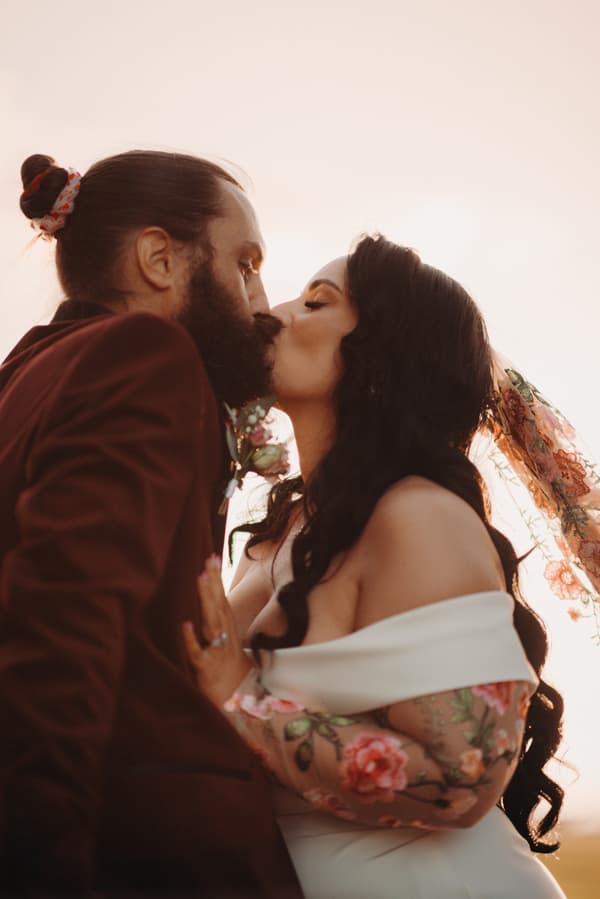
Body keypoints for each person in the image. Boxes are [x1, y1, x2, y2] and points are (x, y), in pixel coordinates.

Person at [184, 236, 568, 898]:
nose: (276, 310)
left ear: (380, 359)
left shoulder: (417, 517)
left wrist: (238, 697)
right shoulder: (283, 529)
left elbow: (461, 779)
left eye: (316, 302)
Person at [0, 151, 302, 898]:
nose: (262, 301)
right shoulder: (145, 356)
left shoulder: (23, 373)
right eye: (245, 264)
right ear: (160, 259)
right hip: (148, 853)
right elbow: (62, 632)